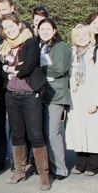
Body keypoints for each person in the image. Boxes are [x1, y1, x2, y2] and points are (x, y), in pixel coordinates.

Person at [0, 14, 51, 191]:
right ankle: (20, 171)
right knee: (18, 134)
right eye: (5, 27)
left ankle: (44, 175)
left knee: (36, 135)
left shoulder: (30, 42)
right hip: (11, 95)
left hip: (30, 96)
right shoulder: (4, 46)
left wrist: (12, 69)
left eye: (11, 26)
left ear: (19, 25)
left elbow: (28, 65)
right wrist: (10, 69)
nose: (9, 30)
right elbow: (1, 70)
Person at [0, 0, 31, 171]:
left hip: (17, 81)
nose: (2, 13)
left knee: (17, 123)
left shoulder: (24, 27)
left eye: (4, 9)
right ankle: (0, 157)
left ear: (12, 8)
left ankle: (16, 158)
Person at [65, 24, 98, 176]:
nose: (81, 38)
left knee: (93, 131)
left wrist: (95, 102)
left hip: (91, 96)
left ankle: (93, 164)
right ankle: (80, 162)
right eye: (78, 35)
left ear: (90, 36)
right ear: (73, 38)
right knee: (78, 131)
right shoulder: (71, 53)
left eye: (84, 35)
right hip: (75, 97)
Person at [36, 18, 71, 180]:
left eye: (47, 28)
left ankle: (60, 169)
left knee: (52, 133)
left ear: (55, 30)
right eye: (41, 28)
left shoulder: (61, 46)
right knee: (42, 132)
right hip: (42, 94)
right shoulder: (40, 46)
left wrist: (38, 68)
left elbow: (60, 69)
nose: (44, 31)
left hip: (56, 95)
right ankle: (46, 166)